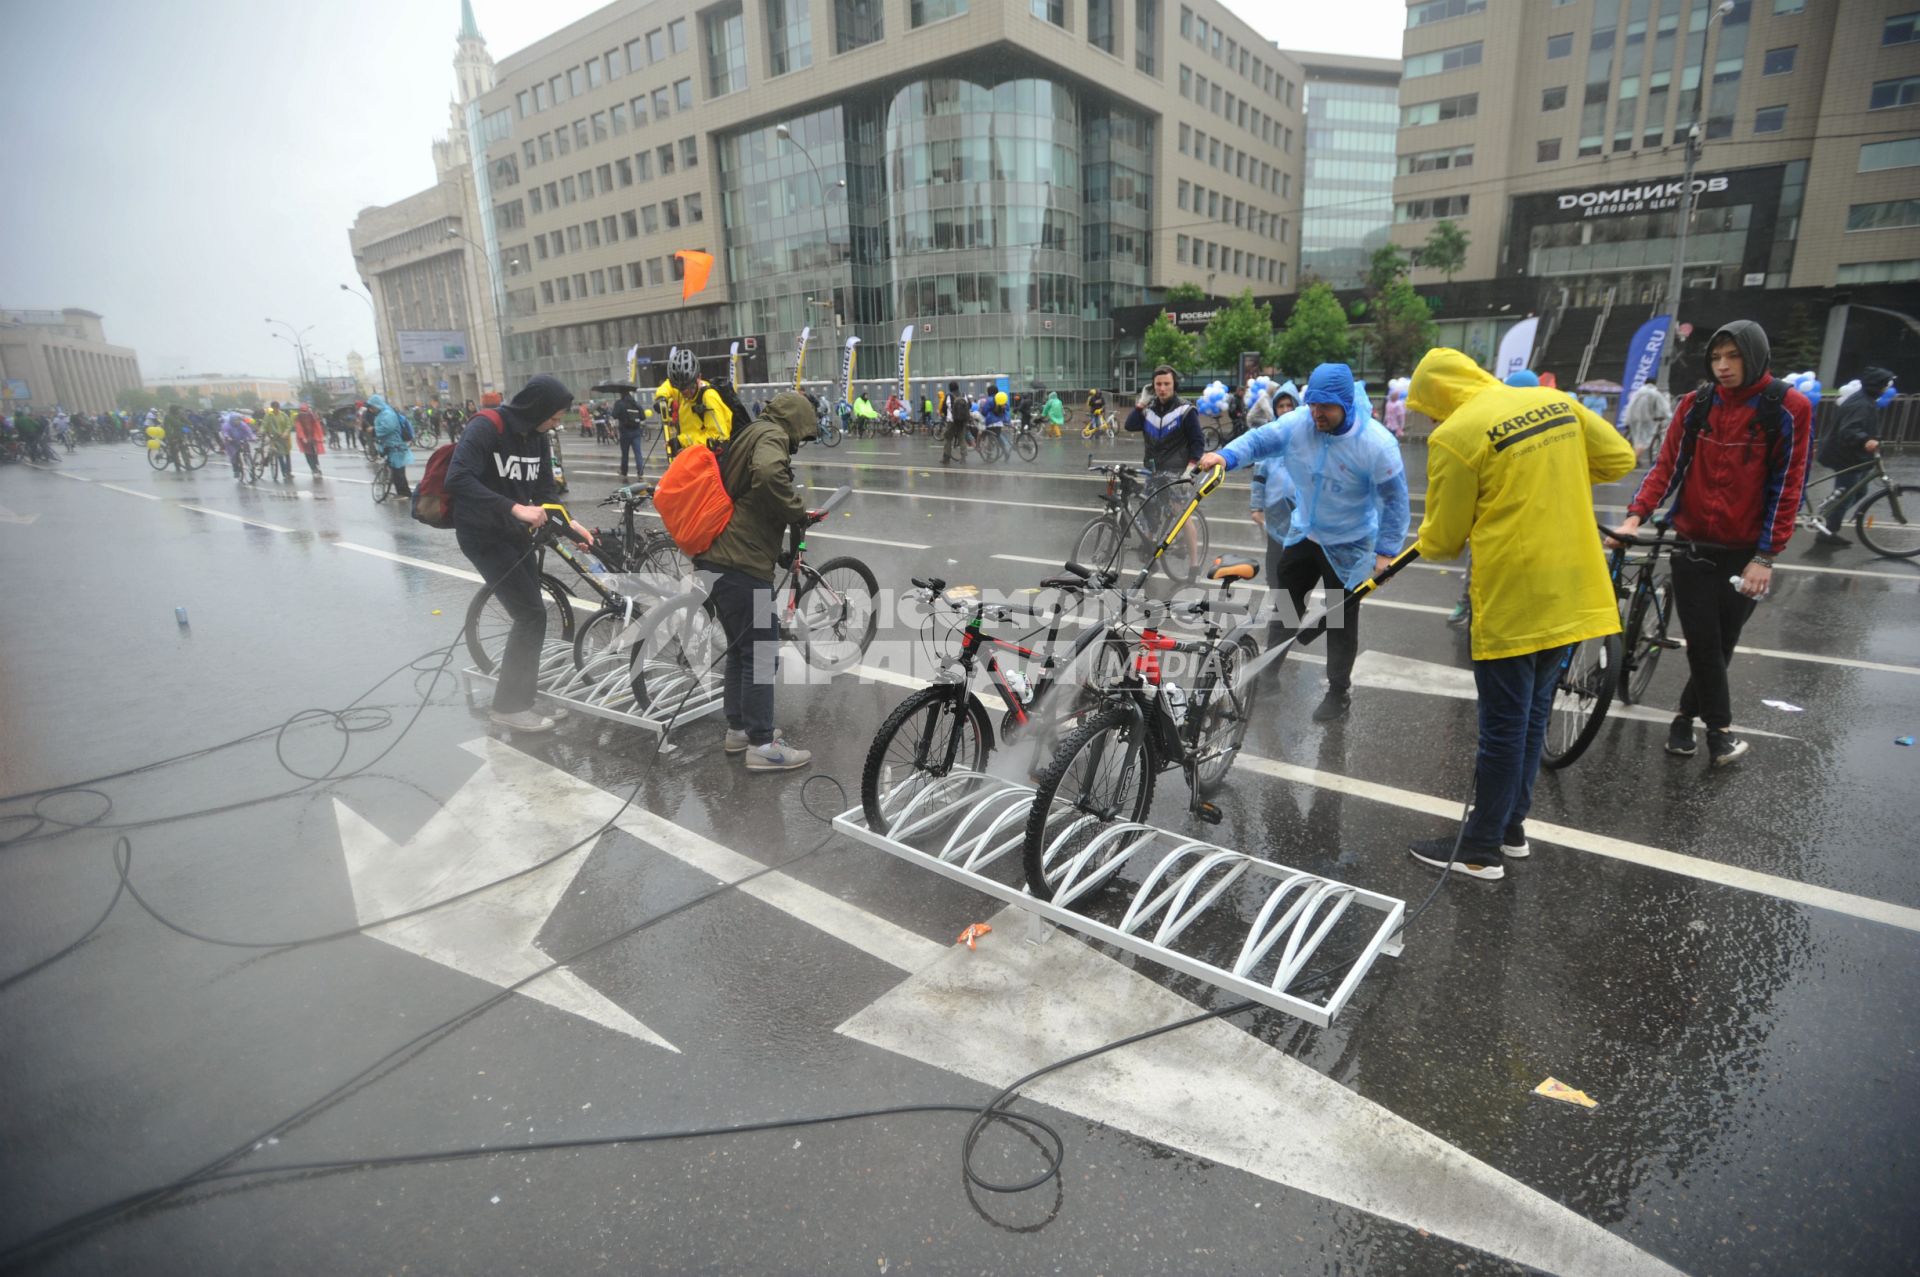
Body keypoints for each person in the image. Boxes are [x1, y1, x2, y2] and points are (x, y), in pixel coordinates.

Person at [1402, 349, 1635, 879]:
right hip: (1573, 590)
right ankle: (1510, 831)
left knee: (1504, 728)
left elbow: (1440, 540)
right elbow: (1619, 458)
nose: (1434, 420)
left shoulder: (1457, 435)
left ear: (1440, 396)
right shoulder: (1552, 401)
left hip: (1515, 598)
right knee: (1532, 717)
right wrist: (1550, 476)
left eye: (1430, 408)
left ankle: (1479, 850)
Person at [1613, 320, 1812, 768]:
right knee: (1703, 640)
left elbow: (1788, 486)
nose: (1723, 367)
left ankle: (1684, 718)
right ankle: (1720, 734)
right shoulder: (1697, 404)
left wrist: (1766, 555)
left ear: (1755, 355)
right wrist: (1634, 517)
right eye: (1716, 358)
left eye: (1733, 357)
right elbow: (1666, 468)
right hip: (1693, 544)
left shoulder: (1788, 407)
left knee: (1722, 642)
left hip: (1747, 552)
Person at [1198, 363, 1410, 723]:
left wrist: (1386, 552)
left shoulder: (1376, 444)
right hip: (1305, 533)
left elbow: (1395, 502)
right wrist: (1226, 456)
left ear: (1345, 404)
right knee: (1285, 607)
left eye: (1325, 406)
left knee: (1341, 620)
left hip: (1350, 543)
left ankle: (1338, 691)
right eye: (1312, 404)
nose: (1316, 413)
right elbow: (1260, 440)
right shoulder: (1299, 423)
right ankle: (1268, 678)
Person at [445, 375, 589, 733]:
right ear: (536, 409)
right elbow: (458, 478)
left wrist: (573, 527)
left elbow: (544, 492)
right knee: (530, 615)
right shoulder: (486, 426)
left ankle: (522, 697)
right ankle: (508, 707)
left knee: (533, 615)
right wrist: (513, 508)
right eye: (554, 418)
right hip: (482, 535)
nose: (557, 424)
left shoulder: (537, 438)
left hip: (515, 535)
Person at [695, 390, 819, 771]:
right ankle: (763, 745)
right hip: (740, 564)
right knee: (762, 654)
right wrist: (797, 510)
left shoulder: (752, 431)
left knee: (741, 649)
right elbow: (767, 475)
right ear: (796, 421)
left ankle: (739, 731)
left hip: (717, 560)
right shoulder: (772, 436)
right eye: (803, 434)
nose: (799, 443)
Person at [1811, 367, 1894, 545]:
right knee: (1847, 494)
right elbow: (1848, 430)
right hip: (1845, 456)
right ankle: (1827, 532)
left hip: (1853, 455)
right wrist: (1866, 440)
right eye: (1885, 385)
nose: (1887, 389)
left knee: (1859, 491)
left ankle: (1829, 511)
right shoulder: (1861, 404)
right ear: (1877, 386)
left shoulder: (1866, 400)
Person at [656, 347, 734, 458]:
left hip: (710, 464)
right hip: (692, 458)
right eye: (681, 388)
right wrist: (661, 397)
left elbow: (719, 438)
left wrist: (682, 441)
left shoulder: (708, 398)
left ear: (699, 377)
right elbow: (668, 385)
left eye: (689, 387)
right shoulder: (682, 392)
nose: (685, 392)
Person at [369, 394, 414, 498]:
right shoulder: (383, 413)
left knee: (399, 472)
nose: (372, 410)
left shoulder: (387, 414)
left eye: (372, 407)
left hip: (396, 446)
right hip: (391, 446)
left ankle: (404, 493)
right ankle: (402, 492)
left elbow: (388, 428)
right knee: (396, 471)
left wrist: (374, 430)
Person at [1621, 381, 1672, 468]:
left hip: (1633, 419)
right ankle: (1632, 461)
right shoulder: (1655, 394)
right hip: (1647, 420)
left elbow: (1629, 406)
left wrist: (1626, 420)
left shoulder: (1637, 393)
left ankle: (1631, 458)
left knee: (1636, 440)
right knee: (1643, 442)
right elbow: (1664, 408)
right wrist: (1667, 416)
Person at [612, 387, 645, 481]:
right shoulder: (635, 403)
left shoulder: (619, 403)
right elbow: (643, 416)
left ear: (621, 394)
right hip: (636, 432)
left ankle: (624, 472)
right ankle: (640, 473)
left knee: (625, 454)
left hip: (625, 432)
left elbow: (614, 415)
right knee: (638, 453)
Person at [261, 401, 294, 481]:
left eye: (277, 408)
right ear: (272, 408)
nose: (276, 409)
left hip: (284, 437)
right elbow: (264, 425)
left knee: (287, 454)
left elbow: (289, 425)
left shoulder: (283, 415)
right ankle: (284, 472)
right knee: (280, 455)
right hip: (274, 438)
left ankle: (288, 471)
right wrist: (261, 432)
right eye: (274, 408)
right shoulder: (268, 415)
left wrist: (286, 432)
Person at [219, 410, 255, 479]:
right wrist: (228, 437)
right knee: (234, 456)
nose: (237, 422)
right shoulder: (226, 426)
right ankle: (236, 470)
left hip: (242, 439)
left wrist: (253, 437)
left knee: (247, 449)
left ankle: (247, 458)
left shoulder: (242, 424)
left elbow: (248, 431)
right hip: (231, 442)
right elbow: (225, 433)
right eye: (236, 420)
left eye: (238, 420)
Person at [941, 379, 968, 463]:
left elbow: (944, 408)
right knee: (962, 439)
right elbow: (968, 406)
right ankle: (963, 458)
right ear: (957, 387)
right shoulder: (963, 395)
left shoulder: (949, 395)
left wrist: (947, 415)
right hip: (962, 421)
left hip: (951, 421)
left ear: (950, 388)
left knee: (948, 438)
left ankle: (946, 458)